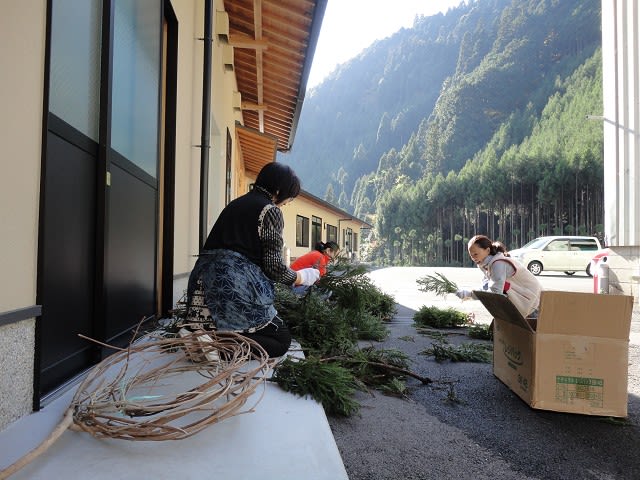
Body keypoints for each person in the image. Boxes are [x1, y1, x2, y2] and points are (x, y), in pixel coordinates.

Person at [184, 162, 320, 357]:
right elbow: (273, 267)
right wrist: (301, 277)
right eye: (288, 199)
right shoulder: (269, 210)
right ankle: (215, 347)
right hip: (232, 285)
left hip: (201, 283)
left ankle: (201, 335)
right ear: (279, 190)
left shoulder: (235, 204)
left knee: (222, 324)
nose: (285, 203)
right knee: (280, 340)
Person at [456, 235, 542, 318]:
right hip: (524, 300)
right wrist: (469, 293)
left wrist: (469, 294)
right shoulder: (485, 264)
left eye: (476, 254)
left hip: (533, 302)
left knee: (534, 331)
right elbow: (486, 287)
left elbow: (495, 293)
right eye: (471, 255)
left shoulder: (498, 264)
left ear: (487, 250)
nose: (473, 258)